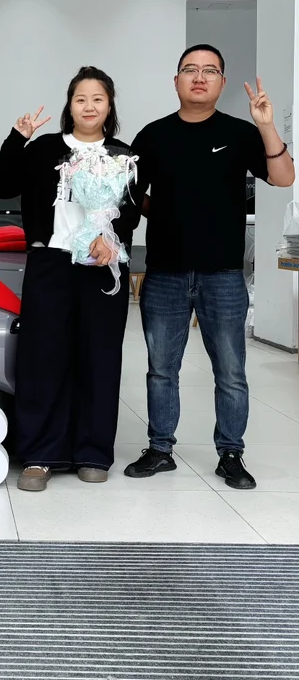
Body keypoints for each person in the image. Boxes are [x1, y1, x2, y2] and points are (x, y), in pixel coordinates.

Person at [125, 44, 295, 489]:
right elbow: (130, 195)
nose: (199, 77)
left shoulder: (241, 133)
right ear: (176, 80)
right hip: (165, 273)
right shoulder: (153, 136)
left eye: (209, 71)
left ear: (222, 81)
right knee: (162, 369)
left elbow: (284, 178)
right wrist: (164, 215)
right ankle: (160, 449)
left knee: (231, 372)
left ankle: (231, 454)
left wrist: (267, 125)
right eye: (190, 69)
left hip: (223, 275)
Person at [0, 67, 139, 492]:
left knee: (99, 357)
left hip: (102, 265)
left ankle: (93, 451)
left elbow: (130, 210)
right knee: (43, 357)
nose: (89, 106)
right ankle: (40, 455)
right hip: (50, 262)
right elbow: (3, 186)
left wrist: (110, 239)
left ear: (109, 106)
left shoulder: (124, 154)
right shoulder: (43, 149)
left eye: (98, 98)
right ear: (69, 106)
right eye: (81, 99)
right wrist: (17, 138)